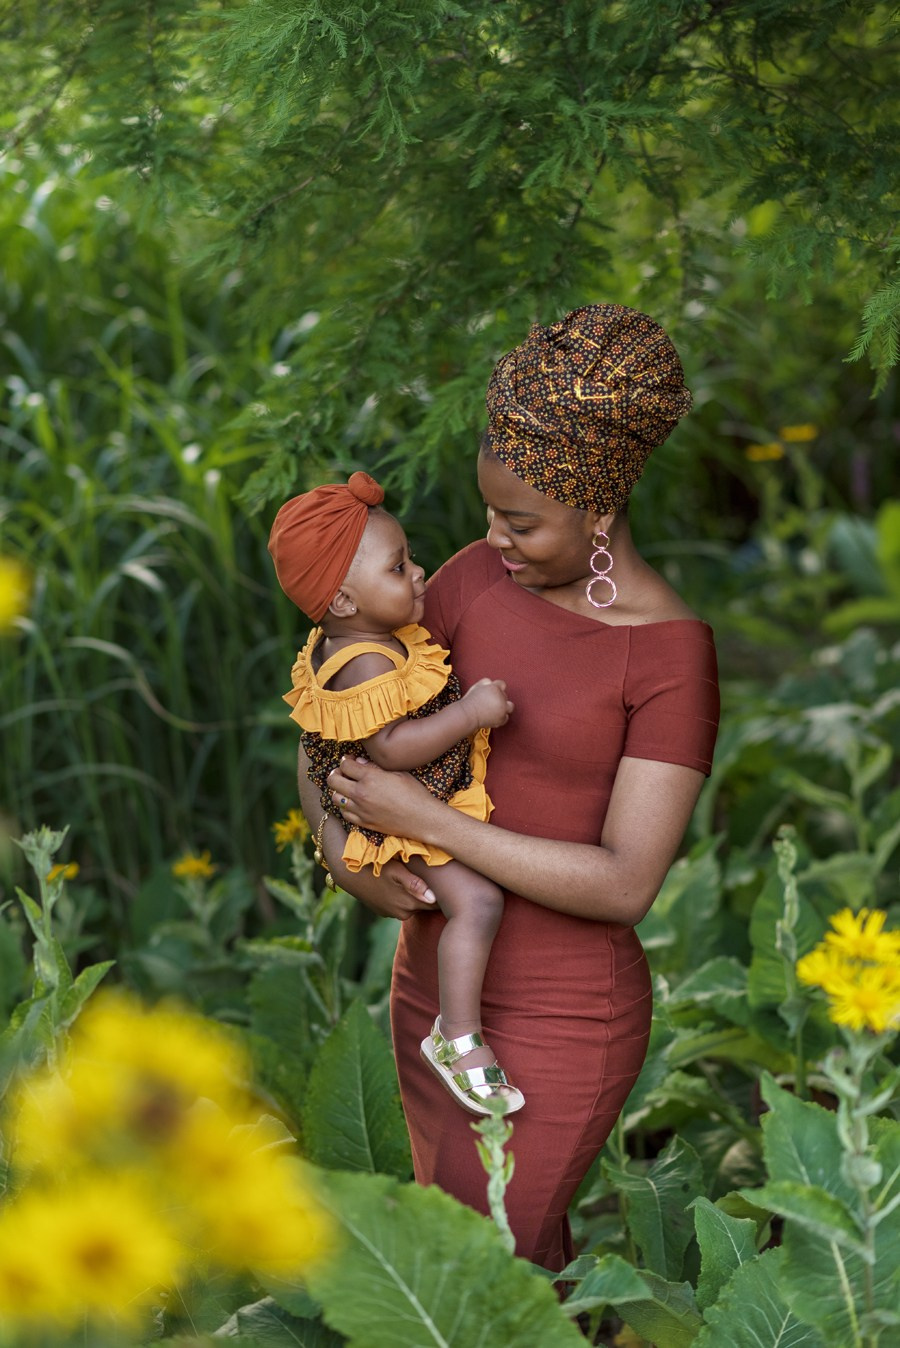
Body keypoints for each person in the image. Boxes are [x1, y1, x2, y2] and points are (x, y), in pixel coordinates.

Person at [301, 302, 720, 1271]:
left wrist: (422, 816)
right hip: (438, 994)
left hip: (568, 1015)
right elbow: (334, 719)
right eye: (490, 511)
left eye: (524, 521)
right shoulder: (472, 580)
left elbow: (625, 883)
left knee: (485, 1267)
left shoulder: (670, 658)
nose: (497, 537)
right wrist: (343, 854)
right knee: (484, 1279)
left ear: (600, 507)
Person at [268, 471, 525, 1116]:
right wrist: (472, 712)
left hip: (392, 803)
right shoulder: (368, 661)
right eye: (399, 567)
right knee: (478, 903)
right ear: (347, 601)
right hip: (391, 813)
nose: (419, 574)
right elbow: (391, 749)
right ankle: (457, 1036)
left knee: (472, 902)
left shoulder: (357, 636)